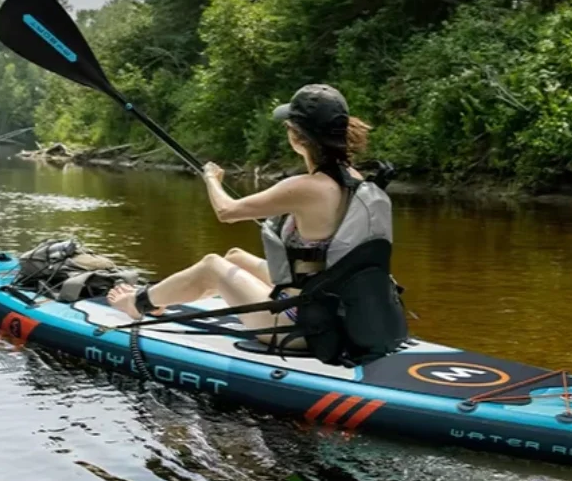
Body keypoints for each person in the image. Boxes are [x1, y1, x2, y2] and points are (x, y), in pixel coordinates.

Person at [108, 84, 407, 361]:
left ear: (296, 136)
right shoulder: (359, 181)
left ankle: (138, 303)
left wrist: (211, 179)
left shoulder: (306, 186)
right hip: (340, 309)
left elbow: (226, 211)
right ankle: (172, 297)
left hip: (301, 327)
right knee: (235, 256)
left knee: (213, 264)